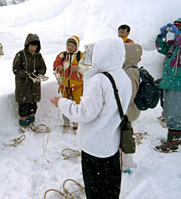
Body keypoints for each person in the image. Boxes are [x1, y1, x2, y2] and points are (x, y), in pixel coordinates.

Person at [50, 37, 132, 199]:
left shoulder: (99, 80)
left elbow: (84, 114)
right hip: (112, 144)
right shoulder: (124, 77)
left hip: (94, 146)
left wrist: (61, 103)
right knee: (110, 188)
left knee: (95, 190)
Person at [155, 18, 181, 152]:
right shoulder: (175, 45)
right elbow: (161, 48)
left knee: (175, 113)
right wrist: (161, 36)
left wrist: (178, 35)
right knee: (170, 111)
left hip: (178, 83)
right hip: (170, 82)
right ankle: (174, 137)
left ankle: (174, 141)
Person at [12, 33, 47, 131]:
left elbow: (43, 68)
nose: (33, 48)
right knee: (23, 106)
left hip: (34, 86)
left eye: (35, 46)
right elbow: (15, 69)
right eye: (31, 45)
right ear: (27, 45)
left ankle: (31, 122)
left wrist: (38, 74)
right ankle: (23, 125)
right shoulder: (20, 55)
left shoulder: (38, 56)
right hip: (23, 86)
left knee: (33, 105)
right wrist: (27, 74)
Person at [53, 35, 83, 134]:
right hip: (64, 84)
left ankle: (76, 122)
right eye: (68, 45)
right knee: (65, 103)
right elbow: (55, 64)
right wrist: (59, 67)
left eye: (72, 46)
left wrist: (78, 68)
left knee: (76, 103)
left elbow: (87, 67)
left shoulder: (81, 56)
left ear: (76, 46)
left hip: (77, 85)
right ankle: (66, 121)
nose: (69, 48)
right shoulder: (62, 55)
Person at [121, 43, 143, 174]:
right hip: (127, 111)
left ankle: (126, 165)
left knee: (125, 139)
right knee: (125, 138)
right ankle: (125, 162)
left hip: (128, 112)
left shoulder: (131, 71)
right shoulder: (128, 68)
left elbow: (130, 95)